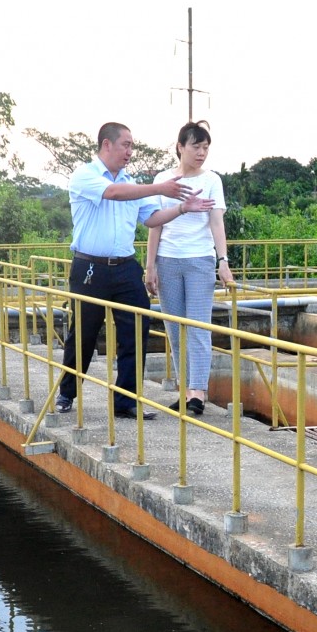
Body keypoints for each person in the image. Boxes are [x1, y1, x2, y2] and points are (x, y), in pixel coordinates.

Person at [57, 123, 211, 418]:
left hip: (125, 267)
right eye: (125, 145)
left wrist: (182, 208)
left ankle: (126, 400)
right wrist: (159, 188)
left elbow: (152, 219)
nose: (130, 151)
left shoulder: (133, 184)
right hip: (90, 267)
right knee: (84, 334)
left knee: (136, 332)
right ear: (107, 145)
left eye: (132, 146)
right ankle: (67, 393)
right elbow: (113, 193)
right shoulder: (85, 175)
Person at [144, 121, 235, 418]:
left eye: (206, 147)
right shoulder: (163, 180)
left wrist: (223, 261)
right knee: (175, 329)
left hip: (199, 260)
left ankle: (198, 392)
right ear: (180, 147)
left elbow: (217, 223)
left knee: (197, 327)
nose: (201, 152)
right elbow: (155, 225)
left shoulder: (212, 180)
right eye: (196, 146)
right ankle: (186, 391)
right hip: (168, 260)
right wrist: (150, 266)